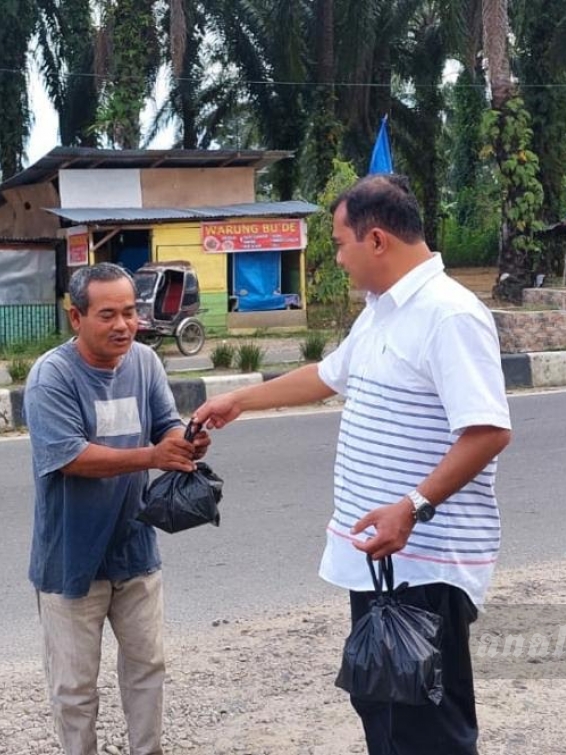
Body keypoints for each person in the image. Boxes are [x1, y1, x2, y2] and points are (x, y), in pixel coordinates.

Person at [193, 175, 512, 755]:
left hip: (425, 566)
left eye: (341, 244)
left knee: (429, 728)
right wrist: (237, 400)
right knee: (383, 710)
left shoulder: (449, 315)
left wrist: (411, 508)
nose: (337, 258)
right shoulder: (382, 312)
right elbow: (327, 375)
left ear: (378, 241)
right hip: (381, 558)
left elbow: (488, 431)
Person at [24, 263, 210, 755]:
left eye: (129, 312)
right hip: (70, 560)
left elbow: (166, 423)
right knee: (75, 690)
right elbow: (71, 457)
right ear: (75, 318)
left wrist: (183, 443)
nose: (123, 325)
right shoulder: (51, 377)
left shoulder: (145, 362)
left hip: (135, 549)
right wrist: (153, 456)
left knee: (148, 669)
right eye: (107, 314)